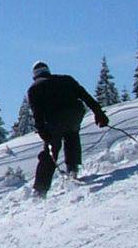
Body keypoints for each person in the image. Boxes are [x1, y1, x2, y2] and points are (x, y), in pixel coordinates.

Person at [27, 61, 109, 196]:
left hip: (54, 120)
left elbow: (37, 113)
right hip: (74, 115)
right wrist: (99, 113)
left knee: (50, 150)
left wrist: (42, 130)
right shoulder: (66, 79)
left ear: (34, 76)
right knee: (72, 135)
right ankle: (73, 169)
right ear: (48, 71)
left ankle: (41, 189)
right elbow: (85, 96)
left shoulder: (34, 88)